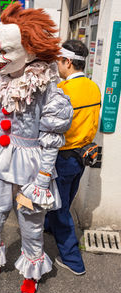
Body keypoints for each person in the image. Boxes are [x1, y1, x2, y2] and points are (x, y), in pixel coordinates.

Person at [0, 3, 73, 293]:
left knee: (31, 222)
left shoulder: (46, 85)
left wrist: (41, 179)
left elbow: (51, 139)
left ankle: (32, 270)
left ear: (28, 50)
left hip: (30, 162)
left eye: (6, 52)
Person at [44, 40, 101, 276]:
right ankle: (50, 226)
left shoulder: (63, 92)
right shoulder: (94, 87)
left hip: (63, 157)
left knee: (61, 207)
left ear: (67, 62)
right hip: (84, 157)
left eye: (59, 61)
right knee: (64, 200)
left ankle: (72, 259)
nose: (57, 65)